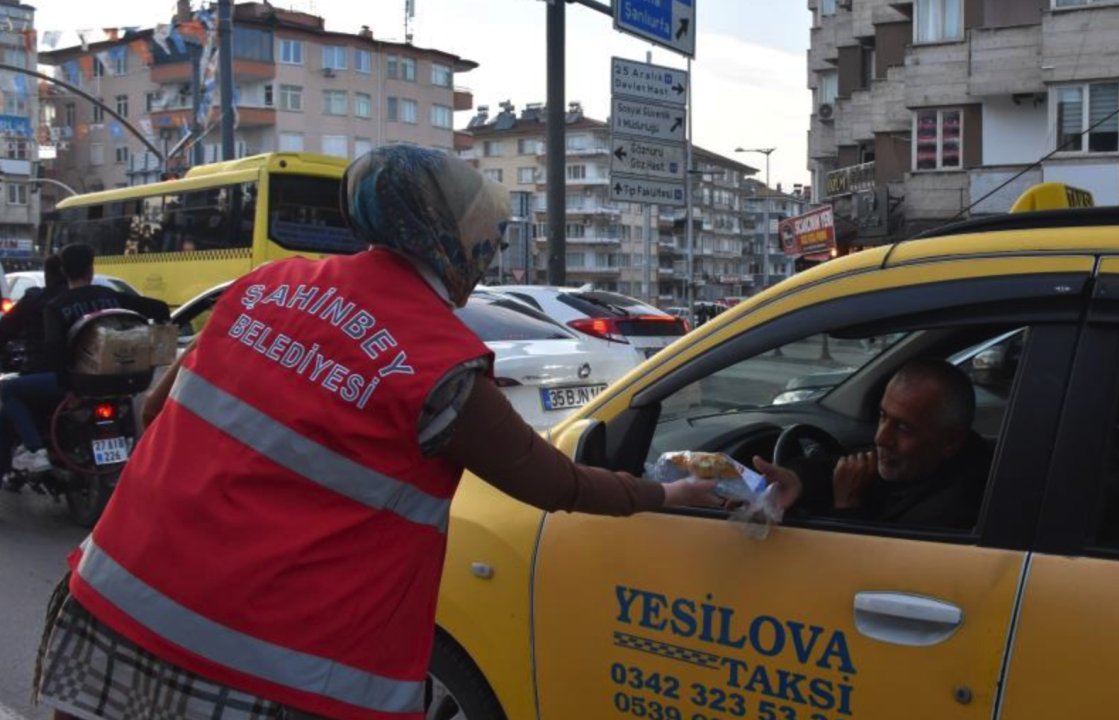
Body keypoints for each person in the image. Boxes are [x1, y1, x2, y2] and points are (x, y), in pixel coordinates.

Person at [34, 146, 723, 720]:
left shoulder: (265, 286)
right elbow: (555, 483)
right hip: (265, 673)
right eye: (489, 234)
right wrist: (667, 494)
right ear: (452, 236)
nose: (491, 250)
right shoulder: (436, 364)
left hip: (113, 604)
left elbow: (161, 412)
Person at [755, 358, 990, 530]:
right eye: (882, 416)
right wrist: (797, 481)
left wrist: (847, 506)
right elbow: (847, 467)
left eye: (903, 428)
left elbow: (860, 576)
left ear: (950, 440)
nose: (881, 438)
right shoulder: (924, 462)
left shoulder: (953, 512)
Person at [0, 256, 67, 485]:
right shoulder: (86, 298)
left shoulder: (36, 299)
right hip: (86, 380)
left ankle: (35, 450)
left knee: (8, 393)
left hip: (52, 379)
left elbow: (5, 329)